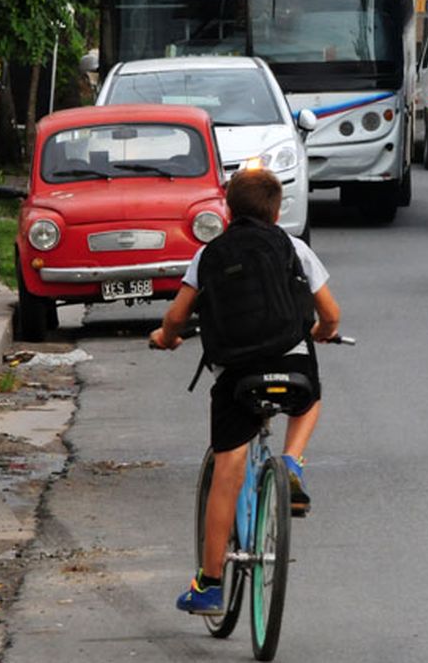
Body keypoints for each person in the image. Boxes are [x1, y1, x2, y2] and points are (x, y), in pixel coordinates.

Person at [149, 168, 340, 614]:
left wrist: (166, 337)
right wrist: (322, 331)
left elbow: (177, 316)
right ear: (277, 210)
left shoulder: (210, 253)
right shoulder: (294, 248)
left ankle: (211, 584)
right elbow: (331, 313)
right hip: (291, 367)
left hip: (238, 376)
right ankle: (292, 460)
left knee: (228, 470)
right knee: (309, 399)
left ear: (228, 209)